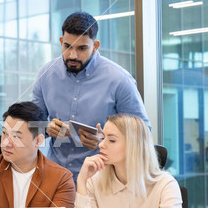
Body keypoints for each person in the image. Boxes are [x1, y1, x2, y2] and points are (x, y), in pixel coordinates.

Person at [32, 12, 150, 183]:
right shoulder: (45, 74)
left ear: (95, 45)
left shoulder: (119, 80)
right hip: (55, 177)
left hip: (102, 179)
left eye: (81, 48)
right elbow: (31, 124)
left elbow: (143, 132)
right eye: (67, 46)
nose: (72, 55)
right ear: (60, 41)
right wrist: (45, 128)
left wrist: (107, 140)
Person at [72, 114, 184, 208]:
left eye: (111, 140)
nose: (101, 144)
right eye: (102, 138)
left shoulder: (165, 184)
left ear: (134, 146)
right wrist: (82, 182)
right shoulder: (94, 181)